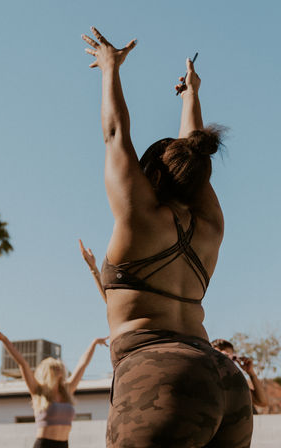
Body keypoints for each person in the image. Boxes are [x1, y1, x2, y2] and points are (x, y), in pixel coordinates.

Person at [82, 26, 252, 447]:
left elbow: (116, 135)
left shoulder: (140, 220)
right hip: (227, 380)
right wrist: (191, 96)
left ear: (152, 175)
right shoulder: (210, 225)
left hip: (158, 375)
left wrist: (110, 69)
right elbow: (195, 156)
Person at [0, 327, 107, 448]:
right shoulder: (38, 391)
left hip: (64, 444)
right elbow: (23, 363)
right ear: (48, 372)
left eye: (60, 367)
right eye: (55, 368)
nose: (59, 370)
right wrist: (4, 340)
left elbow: (82, 365)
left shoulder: (67, 390)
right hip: (44, 444)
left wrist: (94, 343)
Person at [211, 339, 269, 410]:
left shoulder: (234, 384)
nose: (225, 361)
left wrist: (251, 373)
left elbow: (262, 402)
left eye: (229, 358)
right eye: (219, 356)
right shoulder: (203, 377)